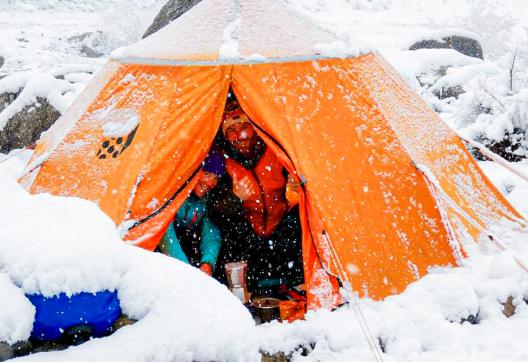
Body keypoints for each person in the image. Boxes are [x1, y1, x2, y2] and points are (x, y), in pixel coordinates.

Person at [208, 100, 303, 291]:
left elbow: (297, 188)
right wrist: (235, 198)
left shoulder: (275, 152)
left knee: (297, 225)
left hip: (281, 228)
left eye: (244, 127)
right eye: (232, 131)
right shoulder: (223, 162)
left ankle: (296, 283)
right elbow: (214, 210)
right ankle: (246, 289)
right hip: (247, 236)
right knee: (230, 231)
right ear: (225, 136)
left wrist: (295, 191)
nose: (240, 136)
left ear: (255, 129)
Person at [159, 149, 225, 276]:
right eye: (206, 174)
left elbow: (211, 233)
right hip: (163, 255)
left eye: (216, 178)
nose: (210, 183)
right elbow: (166, 235)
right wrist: (187, 272)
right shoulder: (173, 192)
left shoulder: (206, 200)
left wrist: (208, 263)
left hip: (187, 254)